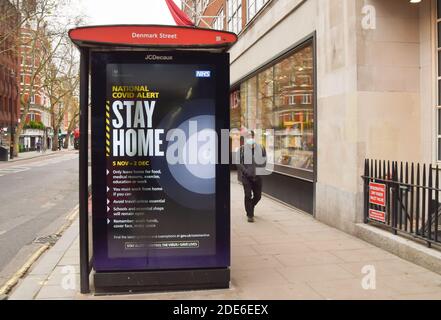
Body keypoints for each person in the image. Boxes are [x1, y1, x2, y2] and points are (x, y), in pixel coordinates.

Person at [236, 130, 267, 223]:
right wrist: (245, 171)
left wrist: (259, 170)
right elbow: (238, 162)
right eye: (248, 137)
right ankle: (250, 215)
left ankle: (251, 206)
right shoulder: (242, 149)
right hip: (246, 177)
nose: (250, 138)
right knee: (248, 195)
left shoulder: (261, 148)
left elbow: (264, 160)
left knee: (258, 196)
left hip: (258, 177)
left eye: (251, 136)